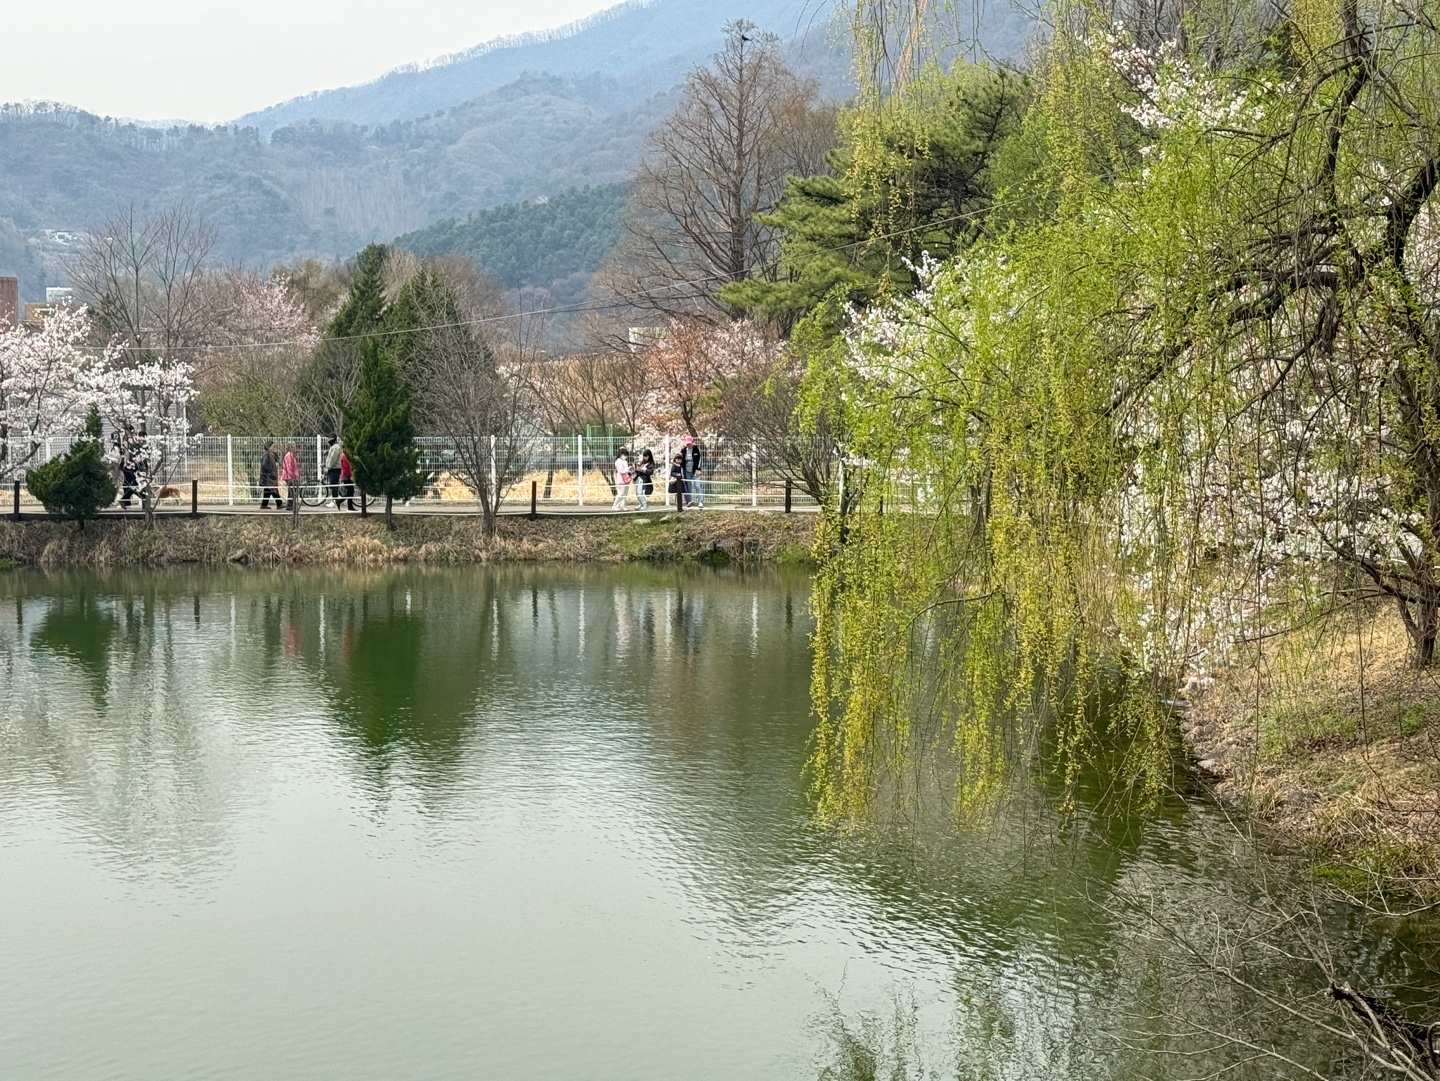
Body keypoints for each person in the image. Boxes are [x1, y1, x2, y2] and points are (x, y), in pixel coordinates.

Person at [680, 434, 704, 508]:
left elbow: (700, 460)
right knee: (688, 486)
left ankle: (700, 501)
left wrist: (698, 469)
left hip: (695, 471)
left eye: (689, 444)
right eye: (687, 444)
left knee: (697, 486)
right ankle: (690, 501)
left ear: (692, 443)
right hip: (687, 471)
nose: (688, 445)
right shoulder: (683, 451)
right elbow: (681, 460)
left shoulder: (696, 449)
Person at [259, 440, 282, 510]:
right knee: (272, 490)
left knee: (268, 491)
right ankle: (279, 504)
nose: (274, 447)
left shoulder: (270, 454)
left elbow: (277, 460)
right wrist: (271, 472)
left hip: (269, 477)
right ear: (269, 447)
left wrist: (275, 453)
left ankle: (264, 504)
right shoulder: (267, 454)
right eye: (273, 446)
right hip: (268, 477)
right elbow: (264, 465)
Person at [612, 446, 633, 511]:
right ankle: (615, 506)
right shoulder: (618, 461)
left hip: (626, 479)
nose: (625, 456)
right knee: (621, 493)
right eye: (625, 455)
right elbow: (621, 470)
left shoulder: (624, 461)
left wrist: (630, 470)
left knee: (625, 493)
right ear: (621, 454)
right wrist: (628, 469)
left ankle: (622, 505)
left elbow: (625, 470)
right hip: (621, 479)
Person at [281, 442, 301, 511]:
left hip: (291, 476)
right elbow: (289, 467)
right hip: (289, 476)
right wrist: (291, 476)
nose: (295, 448)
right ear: (290, 448)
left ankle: (291, 505)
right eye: (294, 447)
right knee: (291, 491)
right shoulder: (289, 456)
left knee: (292, 491)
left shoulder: (292, 455)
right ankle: (289, 506)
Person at [324, 435, 342, 507]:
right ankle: (338, 497)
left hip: (335, 468)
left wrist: (328, 467)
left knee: (334, 484)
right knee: (334, 484)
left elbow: (333, 459)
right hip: (333, 468)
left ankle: (334, 501)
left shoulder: (335, 448)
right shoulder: (333, 447)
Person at [339, 447, 356, 511]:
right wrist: (350, 475)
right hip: (347, 476)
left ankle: (341, 502)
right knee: (350, 490)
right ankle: (349, 506)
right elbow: (346, 467)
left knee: (350, 490)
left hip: (344, 475)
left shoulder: (343, 455)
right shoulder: (345, 456)